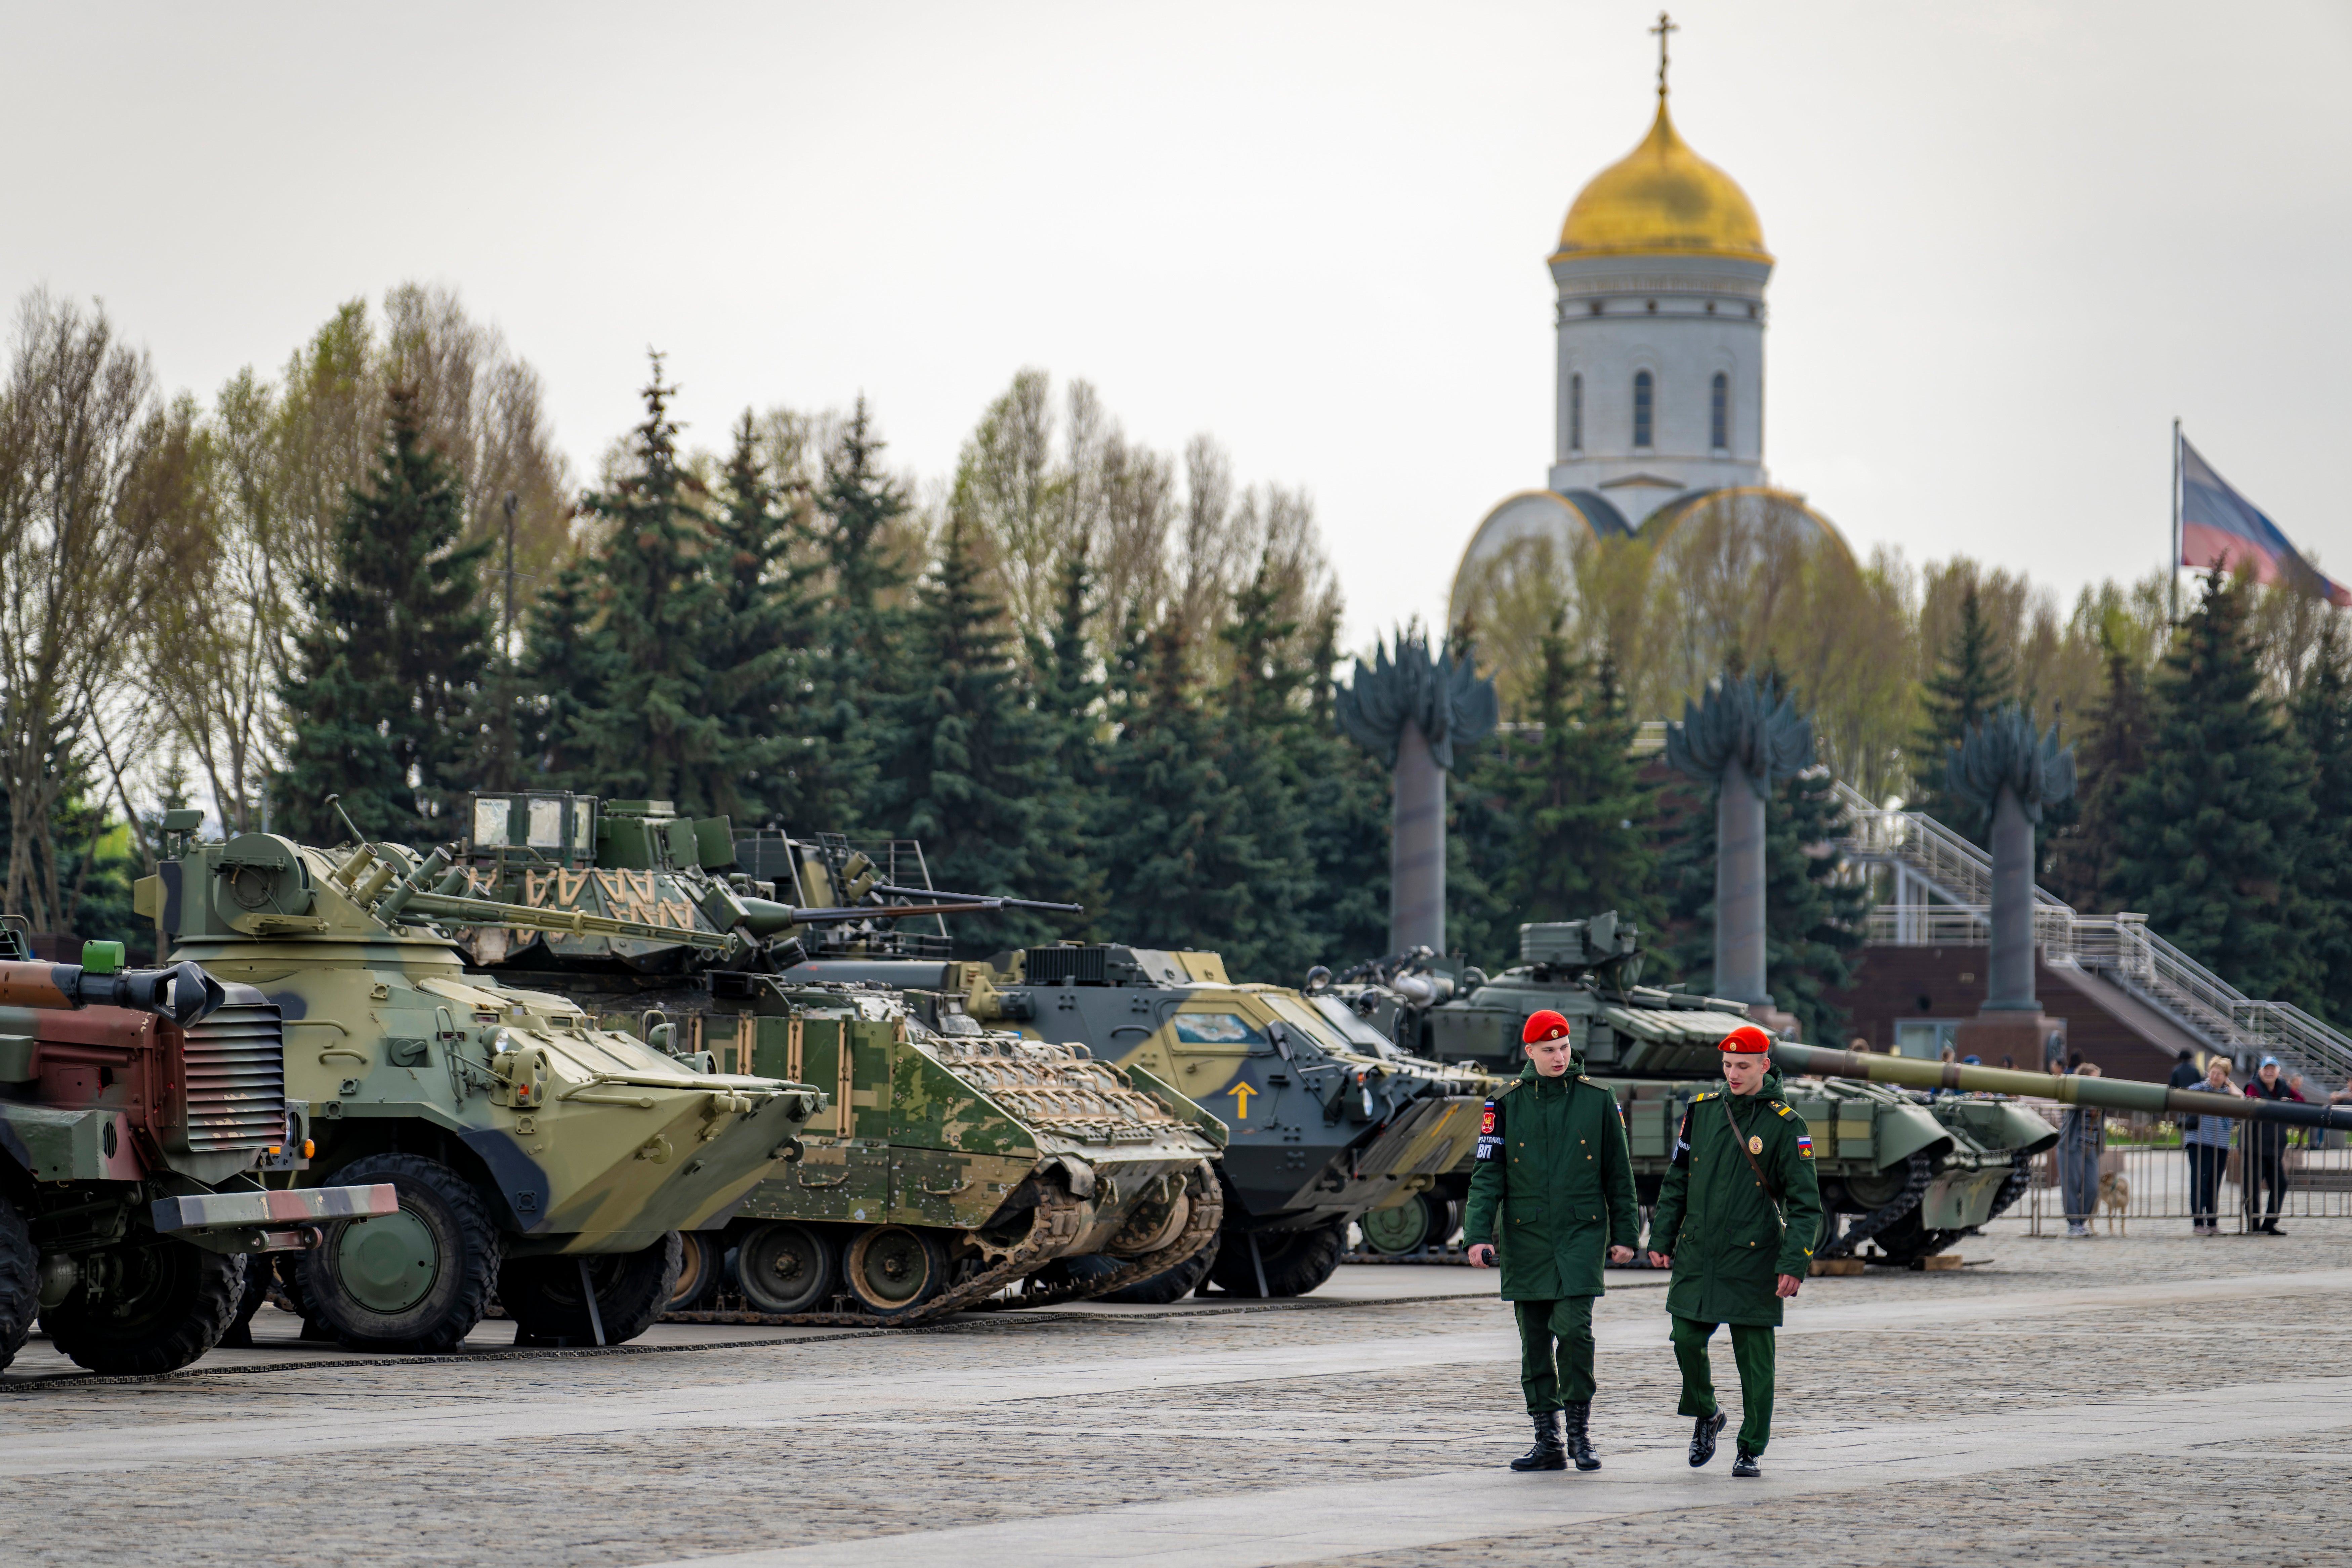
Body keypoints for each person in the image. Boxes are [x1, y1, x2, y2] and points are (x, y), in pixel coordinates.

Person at [1644, 1024, 1823, 1479]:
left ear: (1765, 1064)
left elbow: (1806, 1205)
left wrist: (1794, 1262)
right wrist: (1661, 1237)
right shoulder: (1702, 1112)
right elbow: (1677, 1180)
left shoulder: (1786, 1124)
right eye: (1727, 1065)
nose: (1734, 1074)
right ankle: (1707, 1412)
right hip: (1699, 1251)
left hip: (1754, 1256)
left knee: (1755, 1362)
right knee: (1685, 1338)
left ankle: (1751, 1447)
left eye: (1743, 1065)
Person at [1464, 1008, 1639, 1474]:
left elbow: (1618, 1174)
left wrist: (1626, 1234)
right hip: (1525, 1237)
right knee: (1534, 1342)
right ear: (1530, 1052)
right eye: (1549, 1050)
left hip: (1581, 1235)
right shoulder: (1504, 1102)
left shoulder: (1599, 1099)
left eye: (1564, 1048)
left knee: (1575, 1330)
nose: (1560, 1056)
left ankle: (1580, 1432)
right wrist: (1477, 1234)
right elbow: (1487, 1174)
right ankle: (1548, 1441)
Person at [2241, 1056, 2302, 1234]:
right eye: (2266, 1069)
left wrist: (2289, 1104)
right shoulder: (2253, 1085)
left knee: (2281, 1184)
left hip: (2275, 1148)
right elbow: (2253, 1104)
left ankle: (2270, 1224)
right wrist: (2279, 1106)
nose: (2269, 1072)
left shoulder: (2283, 1086)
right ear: (2260, 1072)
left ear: (2278, 1072)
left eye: (2273, 1069)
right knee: (2253, 1188)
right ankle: (2253, 1226)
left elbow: (2301, 1100)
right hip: (2254, 1146)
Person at [2184, 1056, 2234, 1236]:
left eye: (2220, 1074)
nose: (2215, 1077)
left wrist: (2229, 1083)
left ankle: (2213, 1222)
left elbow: (2241, 1096)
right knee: (2200, 1182)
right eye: (2213, 1073)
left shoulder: (2228, 1092)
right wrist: (2210, 1084)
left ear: (2226, 1076)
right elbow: (2188, 1092)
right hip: (2199, 1142)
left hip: (2220, 1144)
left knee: (2214, 1183)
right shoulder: (2203, 1087)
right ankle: (2198, 1223)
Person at [2058, 1062, 2104, 1237]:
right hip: (2072, 1146)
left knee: (2092, 1188)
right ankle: (2074, 1224)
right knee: (2071, 1186)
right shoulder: (2075, 1093)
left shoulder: (2100, 1098)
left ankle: (2081, 1222)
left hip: (2090, 1146)